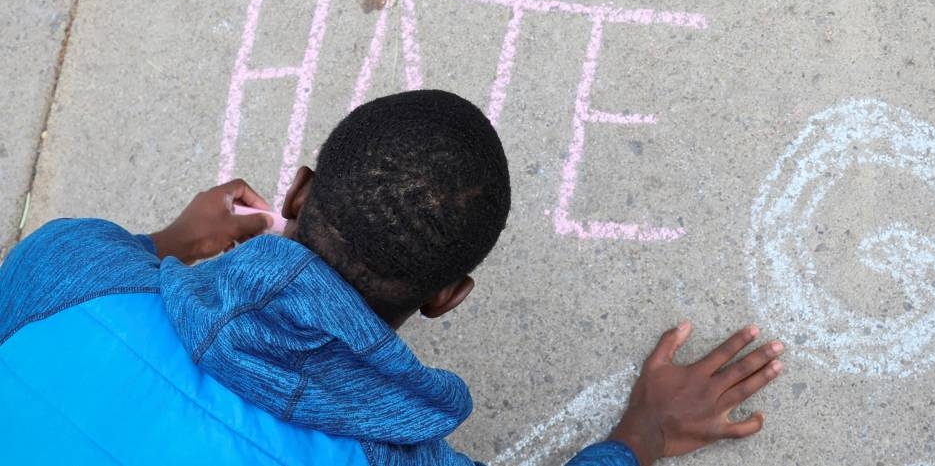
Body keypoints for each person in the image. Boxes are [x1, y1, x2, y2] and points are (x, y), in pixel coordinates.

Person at [0, 89, 783, 465]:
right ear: (448, 297)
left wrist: (171, 242)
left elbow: (108, 270)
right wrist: (640, 435)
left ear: (299, 192)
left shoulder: (69, 261)